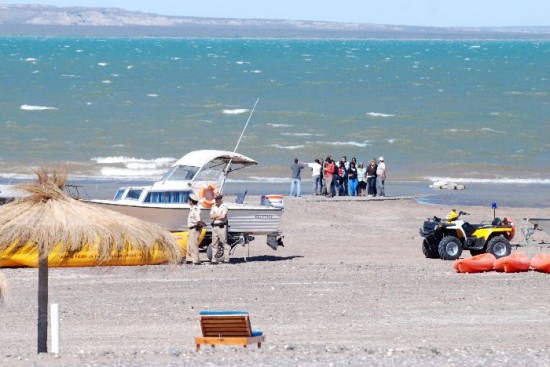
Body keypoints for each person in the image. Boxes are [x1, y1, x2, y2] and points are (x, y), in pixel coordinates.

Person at [209, 194, 230, 264]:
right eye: (215, 199)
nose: (216, 200)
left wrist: (215, 216)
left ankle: (226, 259)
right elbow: (211, 216)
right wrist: (218, 215)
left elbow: (223, 217)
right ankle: (214, 259)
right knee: (214, 243)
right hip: (215, 226)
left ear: (221, 199)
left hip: (221, 226)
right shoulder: (213, 206)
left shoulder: (224, 206)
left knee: (224, 242)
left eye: (217, 199)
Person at [186, 193, 205, 265]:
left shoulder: (195, 209)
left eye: (189, 200)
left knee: (193, 245)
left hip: (194, 229)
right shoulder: (192, 209)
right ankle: (189, 259)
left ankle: (196, 260)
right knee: (189, 245)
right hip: (191, 229)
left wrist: (200, 225)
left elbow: (198, 220)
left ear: (191, 201)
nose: (188, 201)